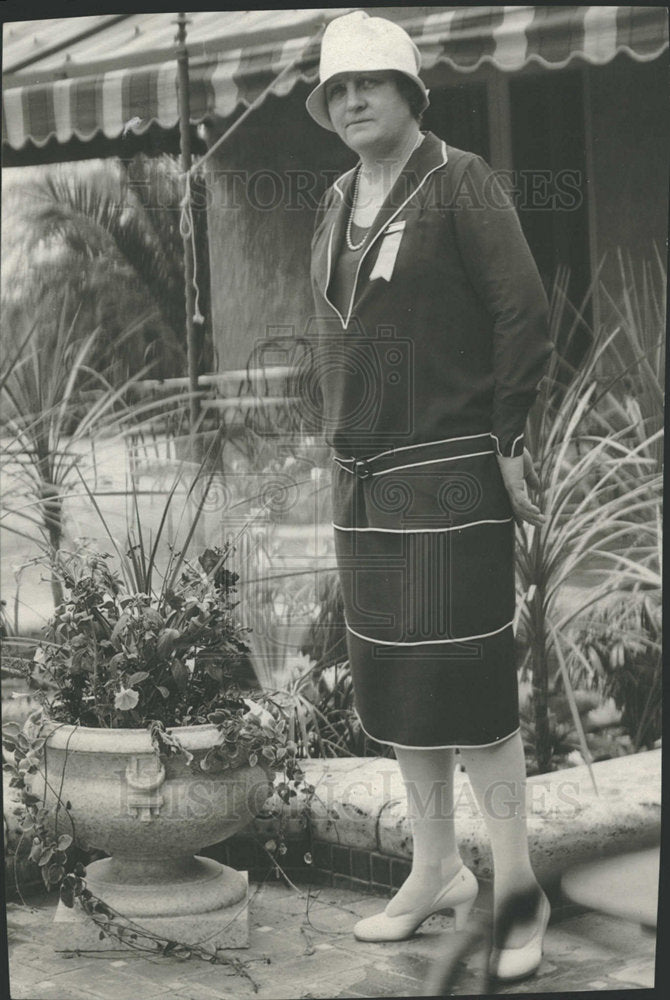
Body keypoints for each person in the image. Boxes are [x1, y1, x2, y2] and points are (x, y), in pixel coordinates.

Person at [305, 11, 554, 983]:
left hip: (450, 476)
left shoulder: (460, 183)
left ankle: (519, 886)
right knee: (401, 693)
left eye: (372, 82)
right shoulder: (331, 199)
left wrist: (512, 437)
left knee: (477, 697)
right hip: (362, 486)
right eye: (337, 89)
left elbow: (521, 311)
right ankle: (437, 867)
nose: (353, 99)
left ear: (411, 93)